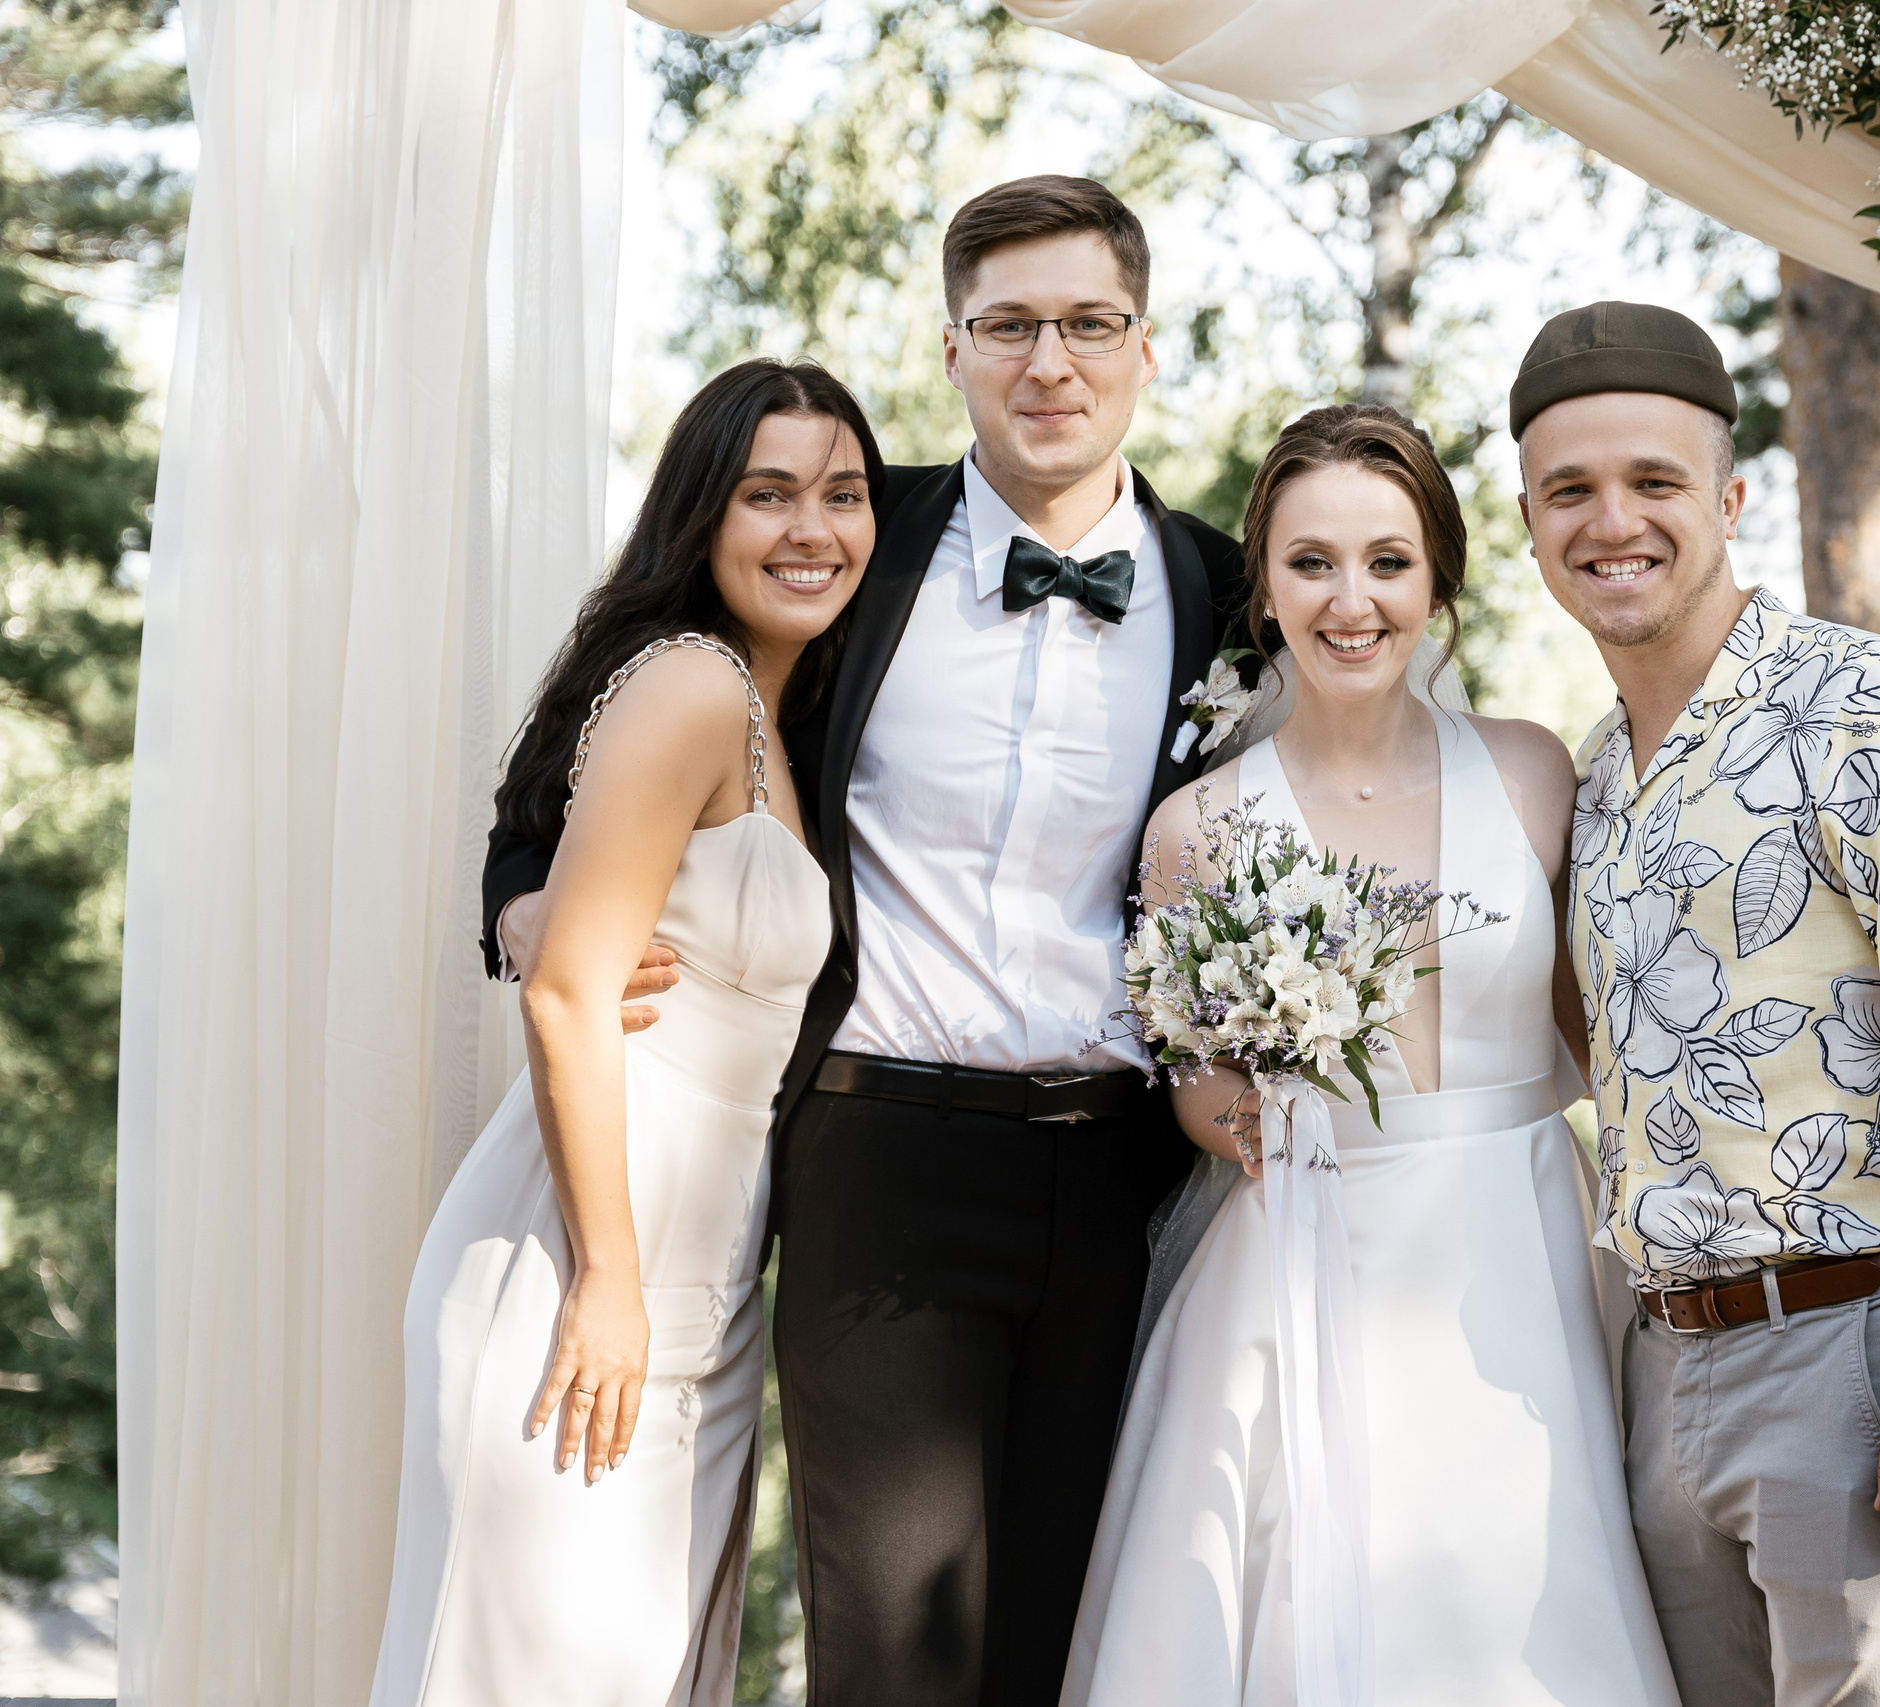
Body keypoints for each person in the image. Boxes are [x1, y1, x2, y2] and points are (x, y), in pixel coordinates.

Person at [478, 177, 1250, 1707]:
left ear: (1146, 350)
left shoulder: (1224, 589)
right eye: (1008, 326)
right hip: (874, 1155)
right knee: (894, 1653)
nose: (1051, 363)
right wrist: (525, 912)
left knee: (1061, 1632)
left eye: (1089, 323)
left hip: (1119, 1179)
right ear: (954, 348)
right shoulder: (844, 540)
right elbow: (581, 745)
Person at [1061, 404, 1685, 1707]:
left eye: (1389, 563)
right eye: (1313, 564)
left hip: (1517, 1259)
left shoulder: (1532, 774)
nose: (1353, 601)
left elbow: (1598, 1022)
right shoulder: (1200, 827)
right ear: (1266, 587)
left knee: (1525, 1606)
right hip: (1301, 1251)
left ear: (1438, 580)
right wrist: (1259, 1110)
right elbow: (1189, 1082)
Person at [1517, 300, 1880, 1706]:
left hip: (1866, 1344)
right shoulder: (1597, 775)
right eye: (1569, 490)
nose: (1611, 521)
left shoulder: (1872, 705)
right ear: (1529, 520)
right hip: (1669, 1370)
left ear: (1731, 498)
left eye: (1653, 482)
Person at [369, 359, 881, 1705]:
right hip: (582, 1267)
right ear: (702, 516)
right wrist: (606, 1280)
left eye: (843, 492)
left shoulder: (792, 714)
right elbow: (566, 989)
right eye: (769, 493)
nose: (811, 527)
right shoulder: (692, 685)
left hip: (703, 1292)